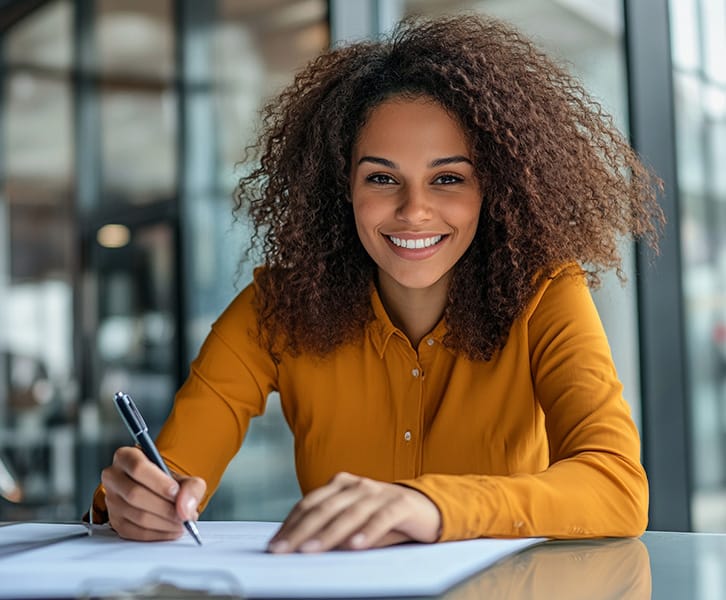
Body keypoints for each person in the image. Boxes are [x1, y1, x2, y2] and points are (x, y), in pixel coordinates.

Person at [88, 14, 664, 552]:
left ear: (495, 187)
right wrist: (138, 502)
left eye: (447, 178)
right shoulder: (274, 310)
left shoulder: (546, 296)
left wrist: (429, 505)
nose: (414, 211)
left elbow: (615, 486)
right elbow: (173, 475)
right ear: (343, 188)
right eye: (383, 177)